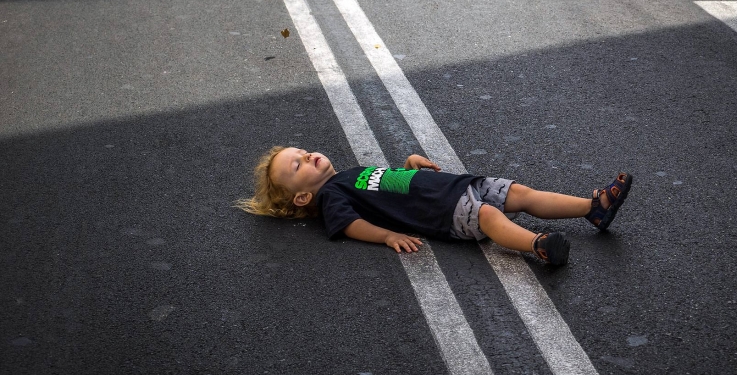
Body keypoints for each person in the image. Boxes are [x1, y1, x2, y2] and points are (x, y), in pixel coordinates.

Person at [235, 146, 632, 266]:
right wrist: (388, 235)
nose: (308, 156)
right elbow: (349, 224)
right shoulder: (331, 197)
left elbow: (387, 183)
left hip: (451, 185)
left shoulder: (348, 174)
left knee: (520, 193)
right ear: (302, 196)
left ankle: (592, 206)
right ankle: (537, 245)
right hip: (440, 213)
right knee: (490, 216)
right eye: (298, 164)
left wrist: (407, 166)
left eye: (303, 151)